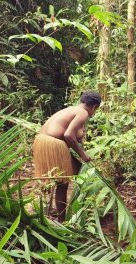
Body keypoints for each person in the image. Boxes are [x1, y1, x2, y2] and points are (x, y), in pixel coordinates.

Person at [33, 90, 101, 222]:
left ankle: (49, 210)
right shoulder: (83, 113)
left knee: (64, 174)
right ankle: (62, 220)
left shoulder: (71, 109)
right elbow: (68, 135)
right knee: (62, 182)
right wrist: (83, 154)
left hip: (41, 140)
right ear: (94, 107)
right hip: (52, 143)